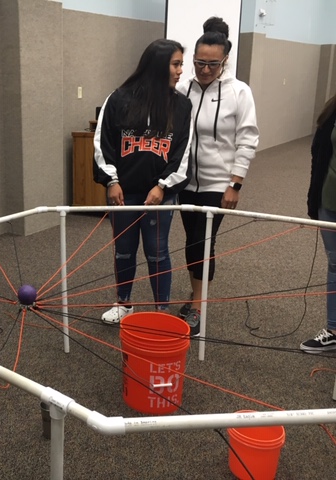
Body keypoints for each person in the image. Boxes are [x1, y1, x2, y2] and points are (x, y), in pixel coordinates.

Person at [94, 39, 192, 325]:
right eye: (176, 64)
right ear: (159, 65)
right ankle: (124, 303)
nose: (180, 71)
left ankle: (161, 311)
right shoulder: (119, 98)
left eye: (181, 65)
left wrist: (162, 186)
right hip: (123, 193)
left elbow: (182, 152)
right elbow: (103, 144)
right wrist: (111, 181)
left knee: (157, 252)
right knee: (123, 250)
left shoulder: (182, 106)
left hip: (160, 194)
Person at [175, 17, 259, 336]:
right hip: (185, 182)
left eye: (212, 64)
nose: (205, 69)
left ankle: (197, 306)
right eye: (198, 62)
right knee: (192, 242)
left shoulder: (239, 92)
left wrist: (235, 183)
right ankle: (197, 294)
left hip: (218, 184)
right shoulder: (184, 89)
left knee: (201, 242)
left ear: (224, 61)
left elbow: (248, 138)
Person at [302, 94, 336, 353]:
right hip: (329, 201)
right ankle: (334, 329)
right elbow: (319, 155)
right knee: (335, 264)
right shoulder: (332, 109)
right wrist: (313, 200)